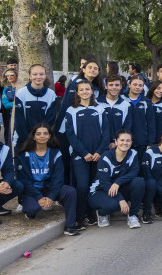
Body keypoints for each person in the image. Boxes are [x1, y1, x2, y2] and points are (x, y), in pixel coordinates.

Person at [15, 124, 80, 235]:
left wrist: (51, 196)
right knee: (32, 209)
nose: (42, 136)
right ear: (34, 137)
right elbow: (24, 180)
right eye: (38, 134)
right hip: (31, 189)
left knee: (70, 191)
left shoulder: (56, 153)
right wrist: (39, 197)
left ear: (50, 136)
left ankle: (70, 226)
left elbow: (58, 178)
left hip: (48, 187)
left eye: (45, 133)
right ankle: (30, 209)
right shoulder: (23, 155)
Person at [63, 80, 111, 227]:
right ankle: (80, 215)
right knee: (82, 186)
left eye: (87, 89)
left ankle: (91, 214)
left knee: (94, 186)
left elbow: (106, 134)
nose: (84, 92)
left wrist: (99, 152)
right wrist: (84, 153)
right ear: (77, 92)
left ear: (92, 91)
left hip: (98, 156)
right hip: (80, 156)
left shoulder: (100, 109)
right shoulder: (71, 111)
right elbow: (70, 136)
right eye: (81, 90)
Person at [88, 130, 145, 228]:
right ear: (116, 142)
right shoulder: (105, 157)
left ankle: (132, 216)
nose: (125, 143)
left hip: (118, 187)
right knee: (114, 205)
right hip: (99, 190)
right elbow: (104, 183)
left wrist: (118, 182)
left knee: (139, 182)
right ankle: (102, 213)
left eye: (128, 140)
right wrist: (121, 199)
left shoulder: (133, 154)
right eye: (122, 140)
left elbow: (134, 173)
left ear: (131, 142)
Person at [13, 64, 58, 149]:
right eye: (35, 74)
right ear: (29, 76)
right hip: (23, 140)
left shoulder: (51, 94)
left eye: (41, 74)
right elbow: (19, 120)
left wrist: (40, 137)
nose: (38, 77)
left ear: (45, 76)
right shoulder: (21, 93)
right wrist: (28, 140)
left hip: (42, 140)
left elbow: (50, 119)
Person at [97, 75, 132, 143]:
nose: (114, 87)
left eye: (117, 85)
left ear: (120, 86)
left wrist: (116, 142)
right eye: (111, 85)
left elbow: (126, 127)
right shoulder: (97, 103)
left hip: (117, 145)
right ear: (106, 86)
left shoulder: (126, 105)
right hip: (99, 144)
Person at [0, 68, 18, 146]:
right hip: (12, 116)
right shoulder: (6, 89)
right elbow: (6, 104)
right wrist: (17, 104)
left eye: (12, 75)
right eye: (7, 75)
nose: (9, 77)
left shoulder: (21, 87)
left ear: (16, 76)